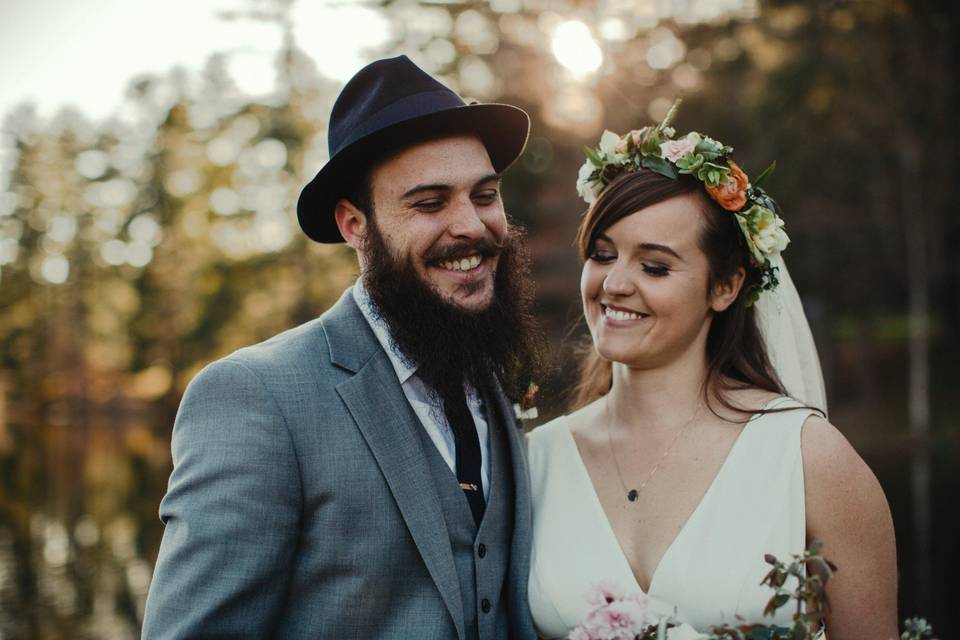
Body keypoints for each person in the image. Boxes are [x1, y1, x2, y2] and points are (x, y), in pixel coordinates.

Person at [142, 55, 542, 639]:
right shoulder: (254, 396)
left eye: (484, 195)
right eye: (430, 203)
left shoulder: (492, 375)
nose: (472, 226)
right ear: (356, 225)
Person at [527, 106, 898, 637]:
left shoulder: (808, 459)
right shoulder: (535, 461)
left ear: (725, 287)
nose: (613, 284)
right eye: (603, 254)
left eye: (654, 266)